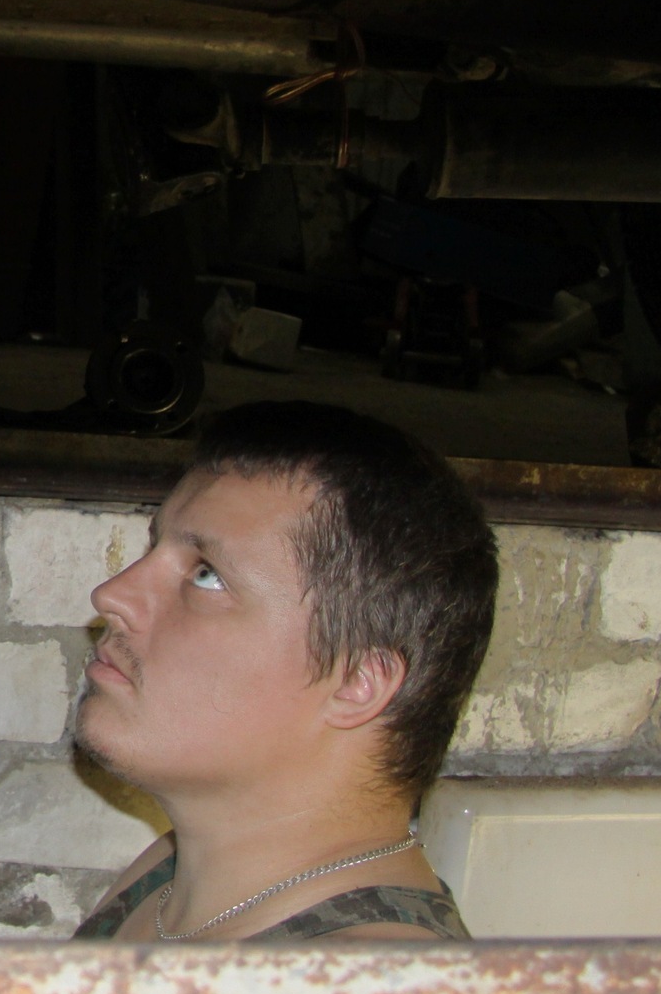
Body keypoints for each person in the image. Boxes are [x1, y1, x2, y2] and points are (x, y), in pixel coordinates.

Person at [72, 400, 496, 942]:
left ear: (357, 682)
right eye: (155, 547)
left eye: (207, 575)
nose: (112, 595)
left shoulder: (370, 985)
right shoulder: (172, 876)